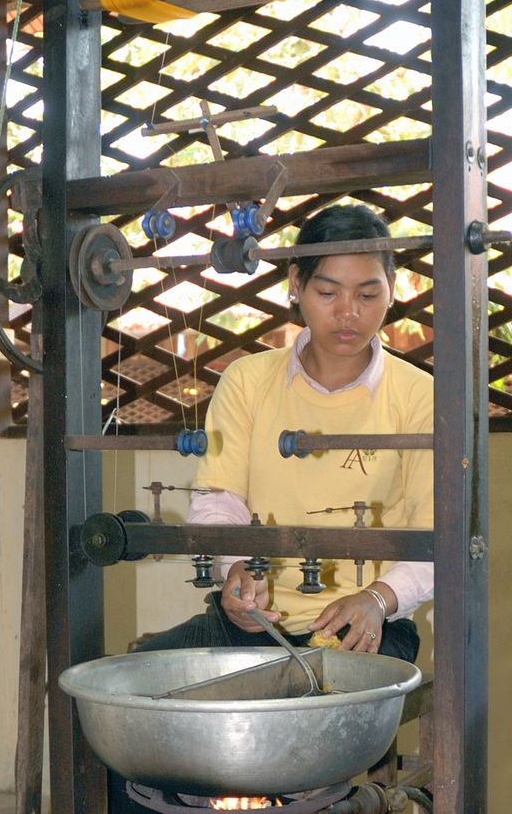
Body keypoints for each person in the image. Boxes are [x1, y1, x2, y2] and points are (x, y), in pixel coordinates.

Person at [135, 203, 434, 663]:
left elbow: (437, 534)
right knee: (136, 690)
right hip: (253, 622)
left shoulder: (420, 396)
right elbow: (221, 500)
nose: (348, 313)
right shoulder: (248, 381)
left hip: (367, 626)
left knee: (323, 721)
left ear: (392, 291)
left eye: (367, 295)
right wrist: (233, 569)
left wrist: (377, 599)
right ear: (296, 285)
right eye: (328, 292)